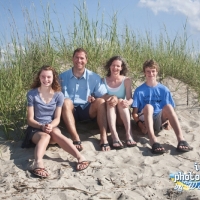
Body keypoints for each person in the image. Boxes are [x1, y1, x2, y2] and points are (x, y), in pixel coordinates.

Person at [22, 65, 90, 178]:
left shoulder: (59, 95)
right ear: (39, 77)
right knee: (45, 137)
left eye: (49, 77)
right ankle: (38, 163)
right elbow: (30, 119)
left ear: (53, 78)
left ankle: (80, 157)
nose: (46, 80)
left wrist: (50, 126)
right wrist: (41, 126)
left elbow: (57, 118)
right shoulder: (32, 94)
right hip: (36, 129)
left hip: (51, 126)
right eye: (43, 77)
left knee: (55, 132)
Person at [59, 48, 118, 152]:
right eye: (76, 57)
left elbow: (103, 95)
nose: (79, 60)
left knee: (101, 101)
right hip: (69, 110)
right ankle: (75, 138)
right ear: (72, 59)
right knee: (66, 101)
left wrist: (113, 97)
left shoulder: (94, 77)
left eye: (82, 58)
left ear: (86, 60)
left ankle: (103, 138)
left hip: (86, 108)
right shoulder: (62, 77)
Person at [132, 59, 193, 154]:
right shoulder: (139, 90)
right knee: (148, 106)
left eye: (153, 71)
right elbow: (134, 113)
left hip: (159, 120)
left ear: (157, 72)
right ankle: (153, 140)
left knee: (168, 106)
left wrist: (168, 121)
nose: (151, 74)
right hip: (145, 119)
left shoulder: (164, 89)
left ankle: (181, 139)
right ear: (144, 73)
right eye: (148, 71)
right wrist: (140, 125)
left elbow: (169, 110)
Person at [102, 56, 137, 149]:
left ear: (121, 68)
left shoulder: (126, 80)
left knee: (121, 100)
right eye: (113, 65)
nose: (115, 68)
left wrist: (127, 103)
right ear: (109, 66)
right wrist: (113, 98)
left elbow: (130, 98)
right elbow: (101, 95)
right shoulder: (103, 80)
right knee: (111, 102)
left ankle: (129, 134)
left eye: (118, 66)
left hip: (122, 114)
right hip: (110, 114)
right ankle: (114, 136)